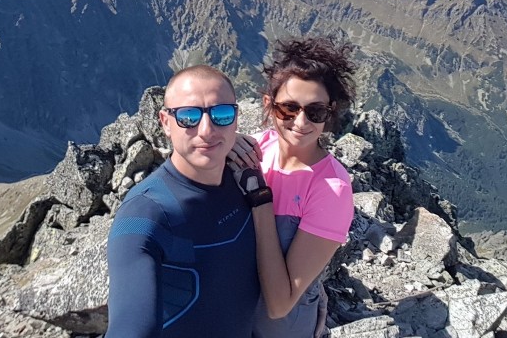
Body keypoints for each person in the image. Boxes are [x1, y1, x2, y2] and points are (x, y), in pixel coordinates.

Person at [106, 65, 260, 338]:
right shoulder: (146, 212)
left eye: (221, 114)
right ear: (165, 123)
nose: (206, 130)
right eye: (188, 117)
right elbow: (131, 328)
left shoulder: (247, 176)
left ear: (236, 119)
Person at [230, 36, 356, 338]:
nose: (301, 122)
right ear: (268, 105)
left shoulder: (332, 188)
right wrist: (223, 144)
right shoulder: (254, 149)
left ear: (331, 112)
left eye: (315, 112)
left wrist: (261, 202)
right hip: (232, 318)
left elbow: (279, 305)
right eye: (288, 108)